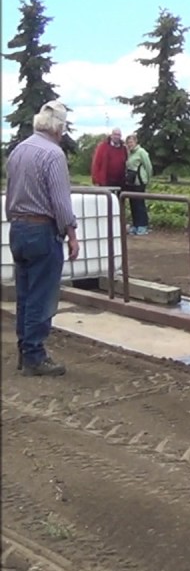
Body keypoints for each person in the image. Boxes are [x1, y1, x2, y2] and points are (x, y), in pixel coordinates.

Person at [5, 100, 80, 377]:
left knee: (25, 294)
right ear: (59, 128)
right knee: (42, 295)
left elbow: (10, 191)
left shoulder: (18, 151)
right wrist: (72, 234)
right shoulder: (53, 155)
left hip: (18, 228)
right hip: (42, 230)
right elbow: (61, 202)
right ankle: (35, 355)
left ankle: (25, 350)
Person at [122, 133, 153, 235]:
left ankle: (143, 226)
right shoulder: (129, 153)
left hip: (139, 181)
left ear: (136, 142)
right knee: (133, 204)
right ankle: (135, 225)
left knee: (140, 204)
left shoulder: (141, 152)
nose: (130, 144)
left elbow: (148, 166)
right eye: (128, 142)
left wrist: (148, 179)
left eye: (131, 142)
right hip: (131, 182)